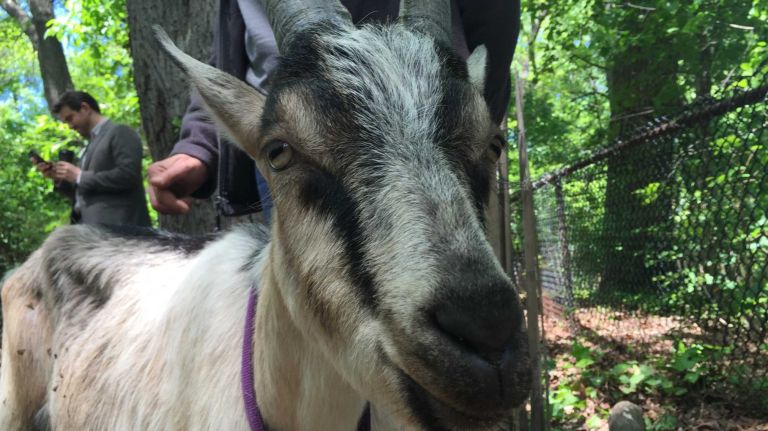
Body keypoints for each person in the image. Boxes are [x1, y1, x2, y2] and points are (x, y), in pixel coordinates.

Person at [148, 0, 520, 223]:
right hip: (291, 146)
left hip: (431, 126)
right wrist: (198, 147)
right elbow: (230, 51)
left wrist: (472, 117)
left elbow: (493, 21)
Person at [40, 91, 151, 227]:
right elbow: (84, 192)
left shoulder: (120, 132)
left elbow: (128, 176)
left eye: (70, 118)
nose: (70, 126)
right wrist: (58, 176)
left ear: (85, 108)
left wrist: (80, 176)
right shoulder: (89, 146)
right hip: (90, 232)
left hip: (120, 232)